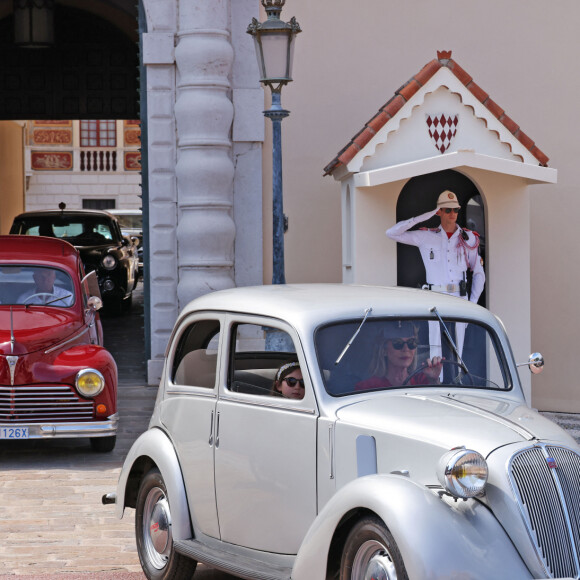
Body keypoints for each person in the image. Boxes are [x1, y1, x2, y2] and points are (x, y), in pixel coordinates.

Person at [386, 190, 485, 356]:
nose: (452, 214)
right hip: (435, 298)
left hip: (459, 298)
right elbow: (391, 233)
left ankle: (457, 381)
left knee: (457, 352)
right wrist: (425, 216)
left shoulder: (469, 238)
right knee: (436, 351)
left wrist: (473, 303)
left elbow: (479, 274)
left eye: (455, 210)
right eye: (447, 210)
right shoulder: (426, 236)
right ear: (439, 212)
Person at [356, 321, 442, 390]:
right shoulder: (367, 387)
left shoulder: (424, 380)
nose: (406, 349)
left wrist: (434, 380)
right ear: (384, 350)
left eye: (411, 343)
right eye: (398, 343)